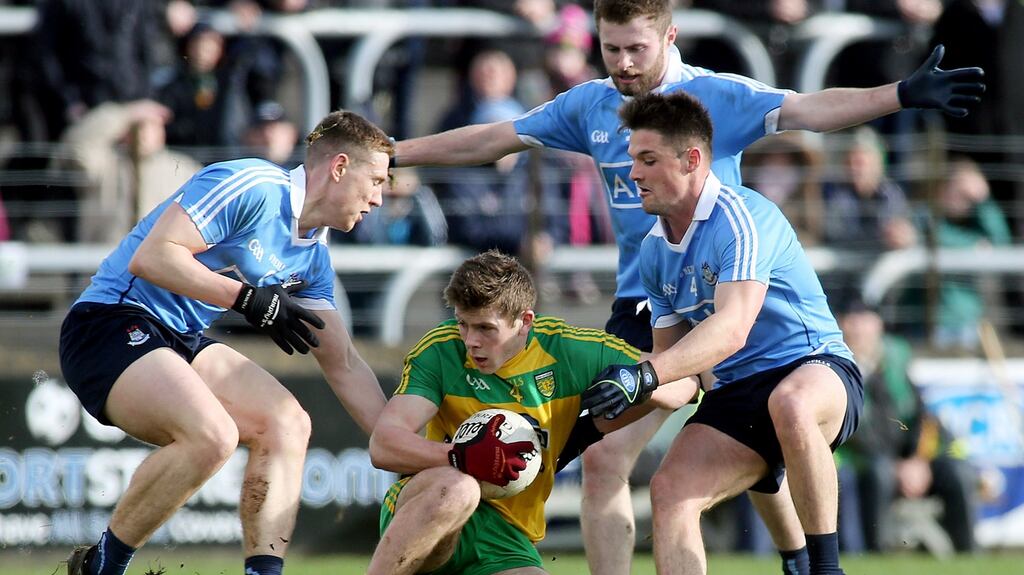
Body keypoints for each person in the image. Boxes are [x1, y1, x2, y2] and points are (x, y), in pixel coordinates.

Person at [390, 2, 984, 573]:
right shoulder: (593, 113)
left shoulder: (719, 111)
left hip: (734, 300)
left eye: (635, 49)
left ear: (669, 38)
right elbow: (494, 138)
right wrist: (395, 155)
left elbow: (809, 110)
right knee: (612, 459)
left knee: (776, 409)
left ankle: (806, 559)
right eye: (610, 48)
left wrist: (899, 95)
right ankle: (790, 552)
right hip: (650, 302)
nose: (621, 63)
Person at [59, 110, 392, 575]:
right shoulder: (252, 183)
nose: (379, 198)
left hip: (179, 337)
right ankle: (102, 567)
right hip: (108, 323)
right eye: (375, 180)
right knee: (213, 436)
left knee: (287, 423)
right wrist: (245, 298)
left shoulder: (313, 257)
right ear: (339, 167)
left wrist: (407, 448)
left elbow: (344, 364)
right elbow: (152, 256)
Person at [582, 91, 863, 575]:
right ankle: (795, 561)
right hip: (737, 392)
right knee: (669, 493)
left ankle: (825, 568)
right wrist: (601, 405)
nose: (633, 174)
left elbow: (731, 329)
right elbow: (680, 374)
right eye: (632, 160)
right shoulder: (653, 251)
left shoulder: (743, 217)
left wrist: (642, 376)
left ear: (692, 160)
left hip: (815, 368)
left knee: (790, 404)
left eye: (648, 160)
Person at [366, 250, 694, 575]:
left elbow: (684, 384)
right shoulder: (442, 348)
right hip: (429, 507)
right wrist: (459, 456)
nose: (470, 341)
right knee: (459, 489)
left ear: (524, 322)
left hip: (507, 538)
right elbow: (384, 444)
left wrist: (637, 381)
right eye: (463, 324)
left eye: (485, 328)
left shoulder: (567, 351)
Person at [835, 300, 977, 553]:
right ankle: (875, 556)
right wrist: (895, 467)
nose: (856, 327)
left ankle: (969, 554)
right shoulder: (834, 365)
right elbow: (849, 427)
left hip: (911, 461)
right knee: (879, 472)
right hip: (866, 461)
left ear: (878, 325)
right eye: (849, 319)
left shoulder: (896, 361)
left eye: (863, 319)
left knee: (958, 471)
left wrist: (918, 461)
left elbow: (923, 417)